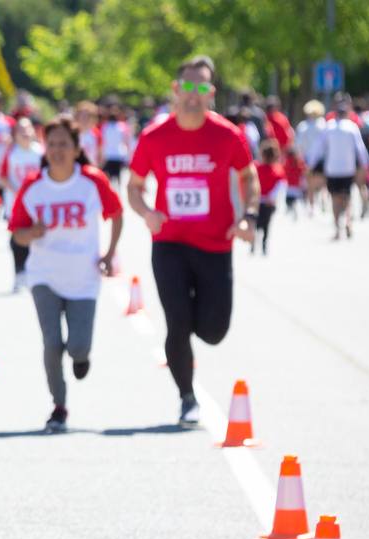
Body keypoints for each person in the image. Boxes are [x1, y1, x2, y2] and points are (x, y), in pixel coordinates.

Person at [126, 54, 257, 427]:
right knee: (178, 323)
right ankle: (187, 396)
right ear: (176, 89)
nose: (194, 94)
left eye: (202, 87)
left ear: (210, 93)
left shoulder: (227, 135)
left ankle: (198, 323)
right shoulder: (155, 137)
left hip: (215, 244)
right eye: (188, 86)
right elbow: (134, 188)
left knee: (214, 331)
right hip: (170, 243)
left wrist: (247, 216)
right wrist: (147, 212)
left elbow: (249, 178)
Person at [7, 115, 122, 433]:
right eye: (52, 144)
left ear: (76, 148)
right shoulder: (33, 185)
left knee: (78, 347)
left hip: (84, 277)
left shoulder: (92, 181)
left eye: (64, 144)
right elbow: (16, 233)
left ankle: (81, 356)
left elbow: (116, 213)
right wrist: (32, 232)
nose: (57, 150)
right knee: (52, 342)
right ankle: (59, 406)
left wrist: (110, 254)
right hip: (44, 275)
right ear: (44, 147)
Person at [311, 92, 369, 240]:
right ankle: (348, 222)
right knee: (347, 197)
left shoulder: (328, 127)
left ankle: (338, 228)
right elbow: (360, 149)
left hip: (332, 169)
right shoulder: (352, 127)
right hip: (348, 169)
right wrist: (365, 165)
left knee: (335, 198)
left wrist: (310, 164)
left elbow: (319, 148)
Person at [0, 118, 44, 291]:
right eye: (21, 130)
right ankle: (19, 272)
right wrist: (16, 190)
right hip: (16, 202)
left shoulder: (40, 152)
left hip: (38, 202)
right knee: (17, 236)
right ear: (15, 135)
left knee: (37, 235)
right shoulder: (11, 153)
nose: (25, 134)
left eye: (28, 129)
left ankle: (35, 272)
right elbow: (2, 176)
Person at [252, 140, 284, 256]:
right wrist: (272, 197)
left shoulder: (256, 167)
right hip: (267, 203)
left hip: (259, 202)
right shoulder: (277, 169)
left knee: (257, 224)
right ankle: (262, 246)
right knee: (265, 225)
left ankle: (255, 245)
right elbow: (280, 186)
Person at [295, 99, 327, 215]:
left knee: (310, 184)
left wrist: (300, 156)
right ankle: (324, 200)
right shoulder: (324, 125)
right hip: (322, 158)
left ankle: (312, 206)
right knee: (323, 182)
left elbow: (298, 145)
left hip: (308, 158)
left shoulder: (303, 126)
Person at [98, 100, 133, 185]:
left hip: (108, 155)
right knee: (118, 179)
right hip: (118, 154)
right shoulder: (122, 127)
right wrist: (129, 155)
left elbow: (102, 142)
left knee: (108, 179)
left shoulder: (104, 127)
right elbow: (126, 141)